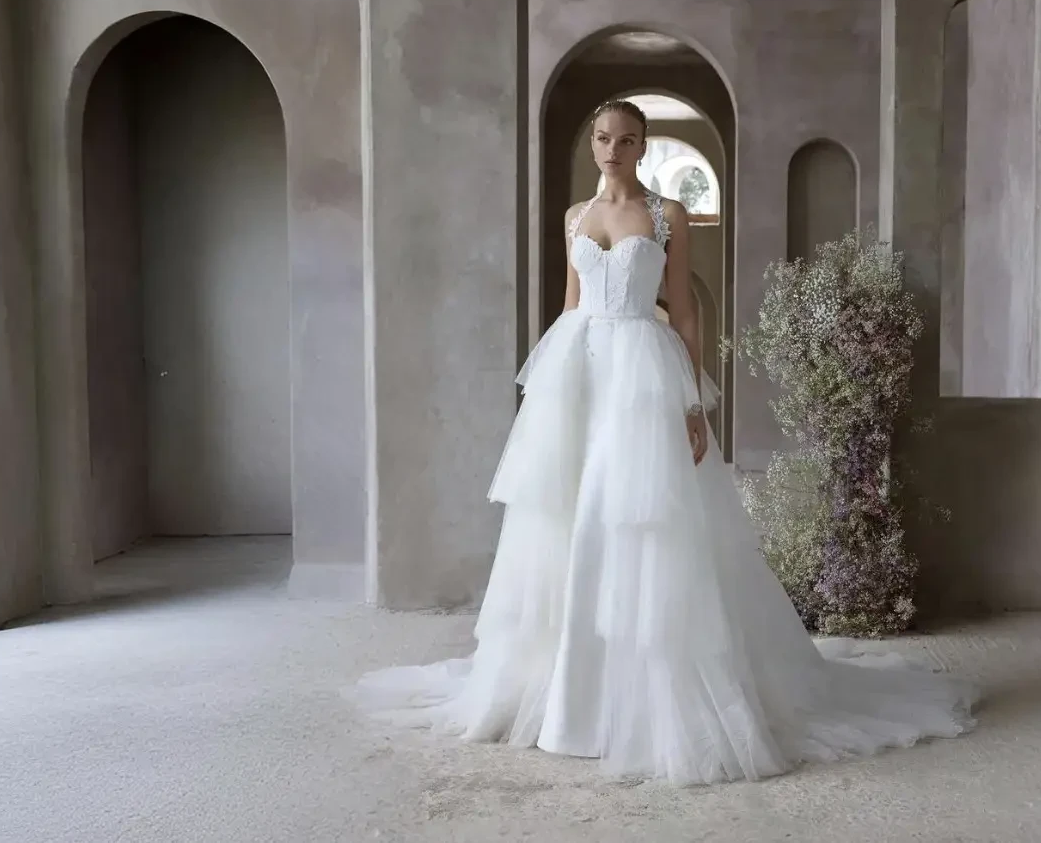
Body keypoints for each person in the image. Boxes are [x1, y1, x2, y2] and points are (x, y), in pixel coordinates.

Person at [354, 99, 978, 786]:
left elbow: (683, 310)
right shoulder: (574, 218)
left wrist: (691, 403)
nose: (612, 148)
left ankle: (629, 695)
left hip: (642, 372)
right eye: (602, 138)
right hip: (580, 364)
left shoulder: (664, 214)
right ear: (592, 145)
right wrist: (550, 394)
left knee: (634, 518)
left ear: (642, 148)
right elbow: (569, 305)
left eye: (626, 139)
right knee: (562, 516)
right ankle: (564, 691)